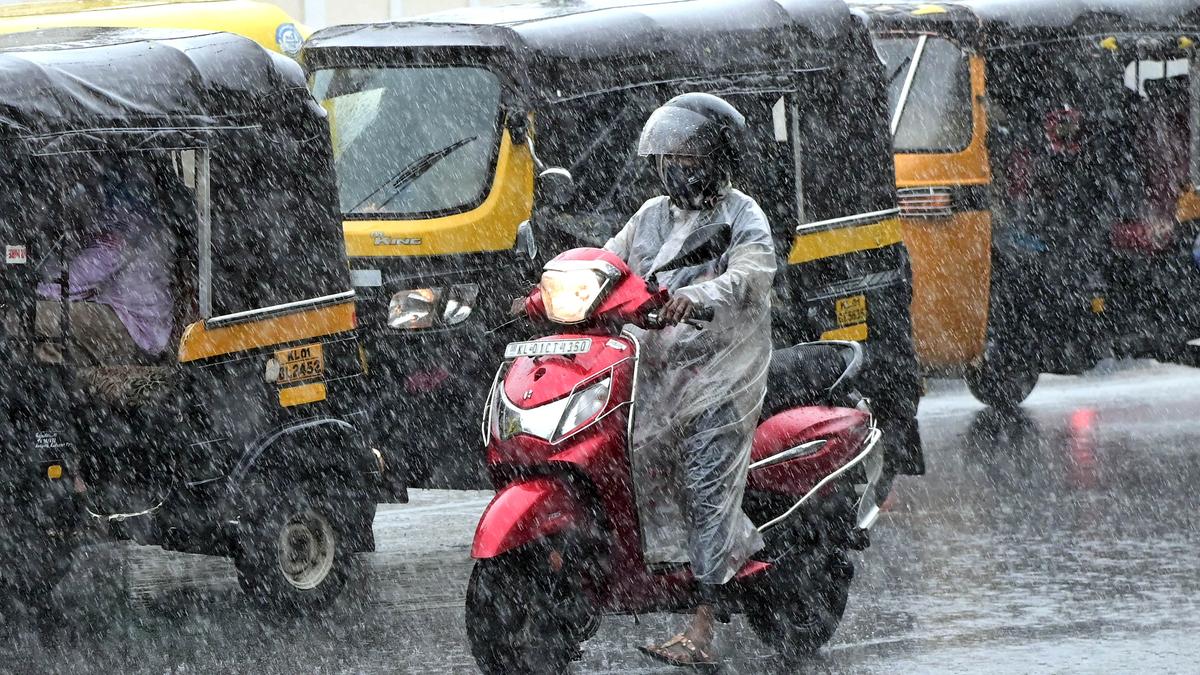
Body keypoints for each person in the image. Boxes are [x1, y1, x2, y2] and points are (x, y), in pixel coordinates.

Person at [604, 93, 776, 668]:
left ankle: (702, 628)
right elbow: (609, 262)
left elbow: (749, 278)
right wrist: (557, 284)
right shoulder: (650, 216)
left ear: (718, 157)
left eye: (690, 152)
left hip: (720, 374)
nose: (677, 163)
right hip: (655, 372)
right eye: (670, 153)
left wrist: (693, 298)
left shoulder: (741, 216)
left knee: (705, 489)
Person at [35, 155, 176, 375]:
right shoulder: (144, 225)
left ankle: (54, 379)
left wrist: (29, 287)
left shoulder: (116, 238)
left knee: (40, 314)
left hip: (139, 329)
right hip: (153, 323)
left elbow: (69, 285)